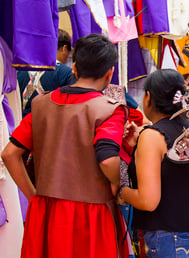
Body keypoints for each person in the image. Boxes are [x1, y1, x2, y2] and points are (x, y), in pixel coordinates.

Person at [1, 34, 130, 257]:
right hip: (92, 219)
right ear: (110, 73)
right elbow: (108, 160)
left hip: (47, 213)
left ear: (74, 68)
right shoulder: (109, 110)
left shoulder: (41, 104)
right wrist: (123, 178)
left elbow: (10, 153)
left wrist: (34, 197)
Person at [118, 69, 189, 257]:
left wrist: (121, 191)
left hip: (171, 237)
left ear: (148, 97)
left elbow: (147, 200)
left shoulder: (153, 136)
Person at [18, 29, 75, 117]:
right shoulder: (66, 72)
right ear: (64, 48)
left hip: (23, 126)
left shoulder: (21, 70)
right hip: (51, 127)